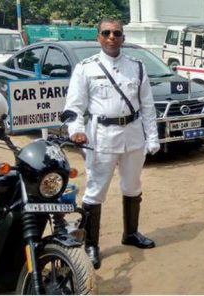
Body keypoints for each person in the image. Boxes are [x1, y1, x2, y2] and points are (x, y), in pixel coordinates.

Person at [64, 18, 159, 269]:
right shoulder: (86, 68)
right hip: (101, 136)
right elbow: (74, 107)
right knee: (95, 191)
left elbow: (147, 106)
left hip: (133, 135)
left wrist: (153, 137)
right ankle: (91, 245)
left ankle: (131, 234)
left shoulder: (136, 67)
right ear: (98, 37)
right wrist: (76, 130)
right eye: (106, 33)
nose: (111, 37)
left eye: (116, 33)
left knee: (132, 186)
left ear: (123, 38)